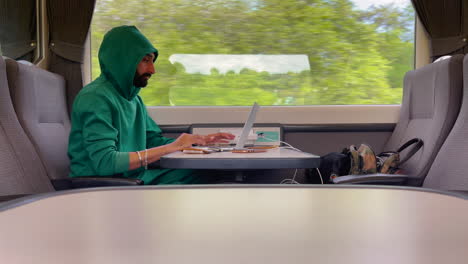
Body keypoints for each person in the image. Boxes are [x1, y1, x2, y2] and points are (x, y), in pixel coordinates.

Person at [68, 25, 234, 184]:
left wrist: (197, 141)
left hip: (134, 176)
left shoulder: (133, 99)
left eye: (152, 61)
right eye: (146, 60)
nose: (152, 70)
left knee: (209, 174)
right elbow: (105, 163)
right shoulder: (95, 98)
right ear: (123, 60)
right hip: (101, 184)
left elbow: (151, 141)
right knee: (183, 195)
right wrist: (173, 147)